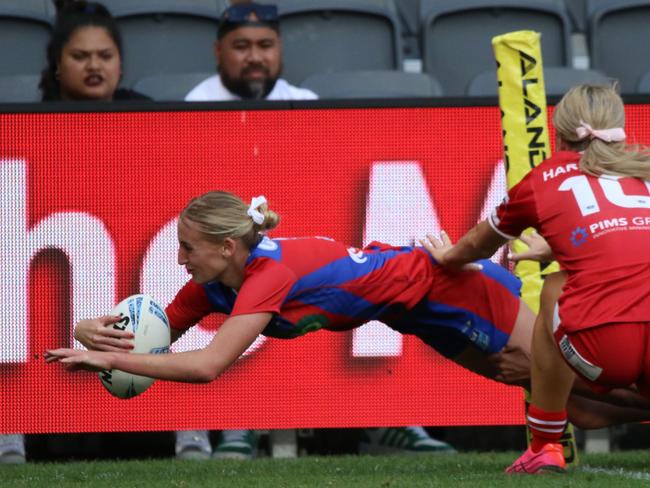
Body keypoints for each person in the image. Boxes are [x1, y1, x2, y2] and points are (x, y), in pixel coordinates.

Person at [45, 192, 650, 444]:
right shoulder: (211, 286)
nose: (179, 258)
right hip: (418, 314)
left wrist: (111, 359)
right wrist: (88, 331)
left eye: (187, 247)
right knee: (573, 403)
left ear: (227, 248)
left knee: (580, 377)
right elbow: (159, 335)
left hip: (452, 288)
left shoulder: (266, 276)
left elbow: (206, 367)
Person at [420, 84, 650, 474]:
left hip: (606, 350)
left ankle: (545, 444)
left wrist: (449, 256)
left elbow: (479, 242)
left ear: (558, 134)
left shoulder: (544, 179)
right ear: (621, 128)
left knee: (556, 287)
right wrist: (566, 246)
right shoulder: (643, 167)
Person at [184, 2, 317, 102]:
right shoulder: (197, 105)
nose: (255, 57)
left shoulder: (304, 104)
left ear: (279, 48)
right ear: (218, 51)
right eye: (241, 46)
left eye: (265, 45)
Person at [39, 1, 149, 102]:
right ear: (58, 63)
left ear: (120, 64)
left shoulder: (147, 115)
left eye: (105, 56)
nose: (94, 66)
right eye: (80, 57)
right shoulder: (39, 120)